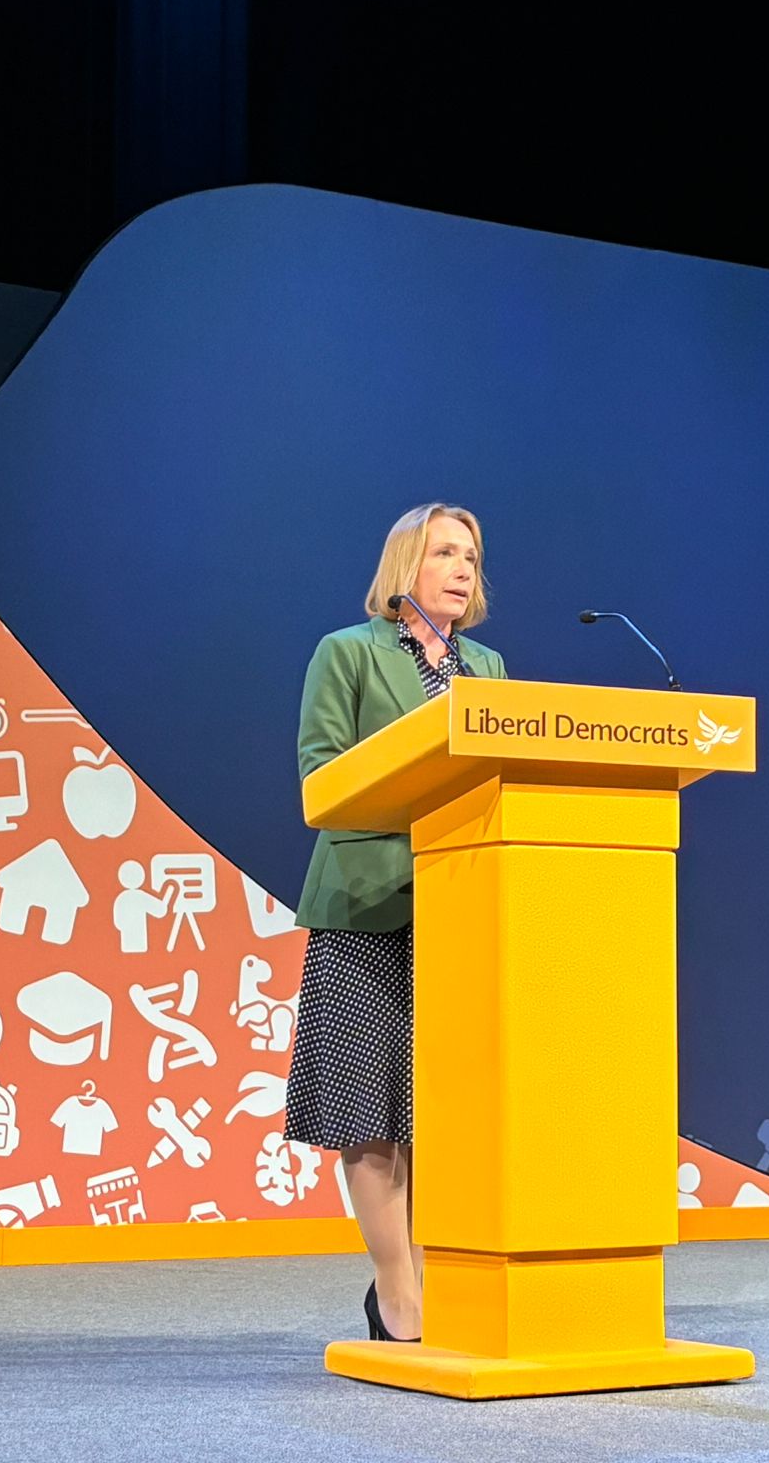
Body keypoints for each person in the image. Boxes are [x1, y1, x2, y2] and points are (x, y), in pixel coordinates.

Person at [284, 503, 508, 1344]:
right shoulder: (347, 653)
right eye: (445, 552)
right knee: (367, 1110)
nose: (462, 568)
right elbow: (323, 779)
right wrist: (420, 821)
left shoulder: (488, 667)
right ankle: (396, 1289)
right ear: (405, 565)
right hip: (367, 908)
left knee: (437, 1114)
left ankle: (436, 1274)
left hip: (464, 912)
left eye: (472, 556)